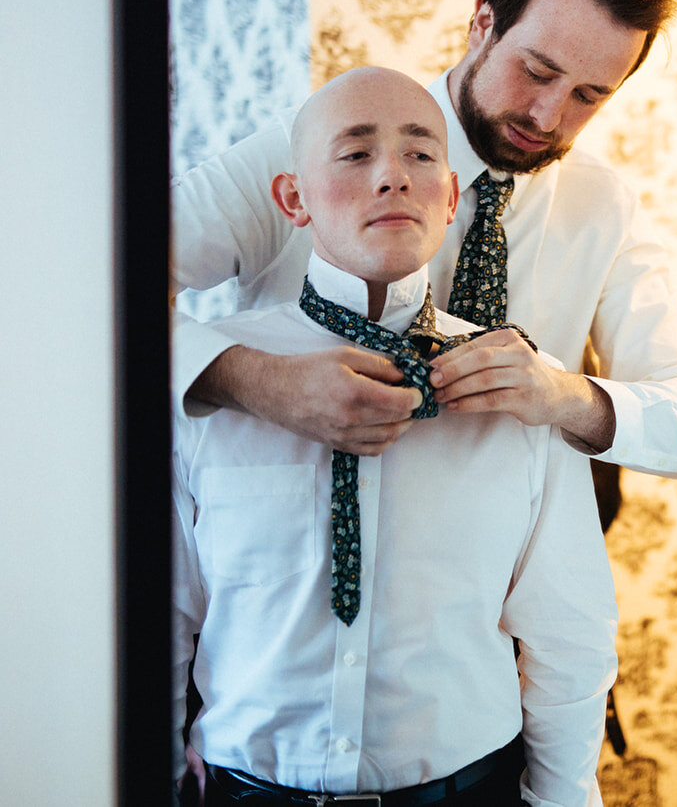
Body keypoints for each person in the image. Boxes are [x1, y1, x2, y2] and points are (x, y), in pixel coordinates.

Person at [173, 67, 617, 806]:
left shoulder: (524, 389)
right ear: (293, 198)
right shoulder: (207, 387)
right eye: (354, 154)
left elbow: (568, 635)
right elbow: (164, 618)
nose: (392, 178)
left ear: (450, 199)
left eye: (419, 155)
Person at [171, 0, 677, 477]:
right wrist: (256, 382)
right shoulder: (310, 153)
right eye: (537, 71)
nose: (547, 117)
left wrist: (565, 395)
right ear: (483, 23)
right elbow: (104, 290)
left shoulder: (603, 205)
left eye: (588, 96)